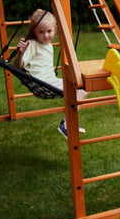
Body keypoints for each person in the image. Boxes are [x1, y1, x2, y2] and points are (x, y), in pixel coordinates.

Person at [14, 9, 88, 138]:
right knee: (82, 89)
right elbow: (18, 65)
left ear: (54, 29)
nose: (46, 35)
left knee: (82, 86)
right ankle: (66, 124)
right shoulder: (32, 45)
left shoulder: (48, 45)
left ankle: (69, 124)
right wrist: (20, 53)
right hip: (42, 84)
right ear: (35, 32)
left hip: (50, 81)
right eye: (41, 32)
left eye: (49, 31)